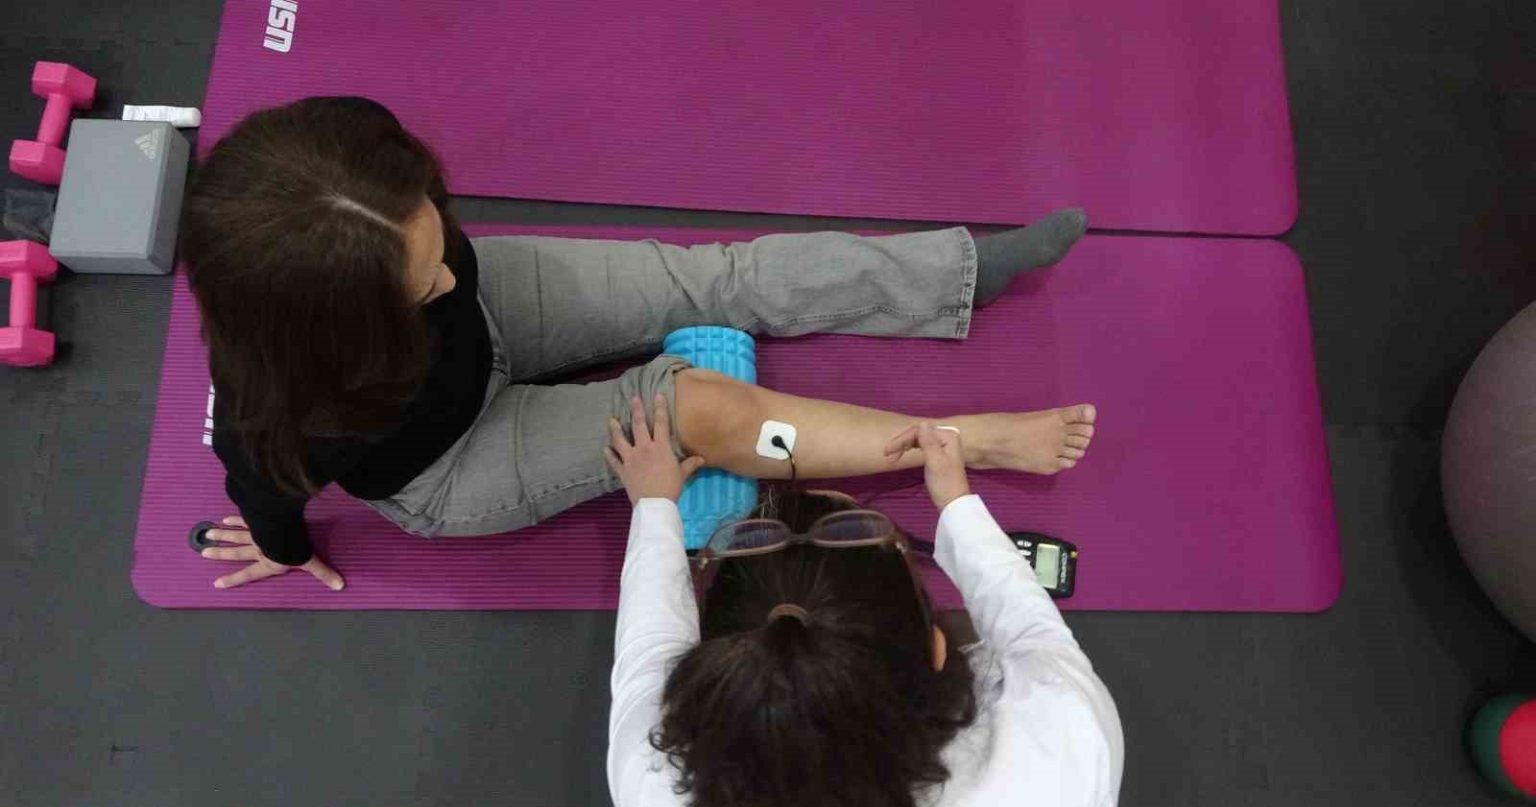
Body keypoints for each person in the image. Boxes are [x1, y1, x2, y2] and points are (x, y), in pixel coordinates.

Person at [183, 96, 1096, 591]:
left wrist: (443, 276)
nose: (445, 276)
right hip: (454, 463)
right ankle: (959, 443)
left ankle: (955, 274)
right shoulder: (280, 418)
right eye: (423, 284)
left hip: (499, 325)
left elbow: (451, 275)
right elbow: (263, 492)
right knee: (699, 408)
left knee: (715, 278)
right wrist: (282, 547)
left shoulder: (393, 228)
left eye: (436, 236)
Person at [604, 399, 1123, 807]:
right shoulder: (1062, 739)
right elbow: (1033, 633)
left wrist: (653, 503)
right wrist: (958, 505)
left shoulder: (667, 798)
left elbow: (648, 655)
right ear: (936, 648)